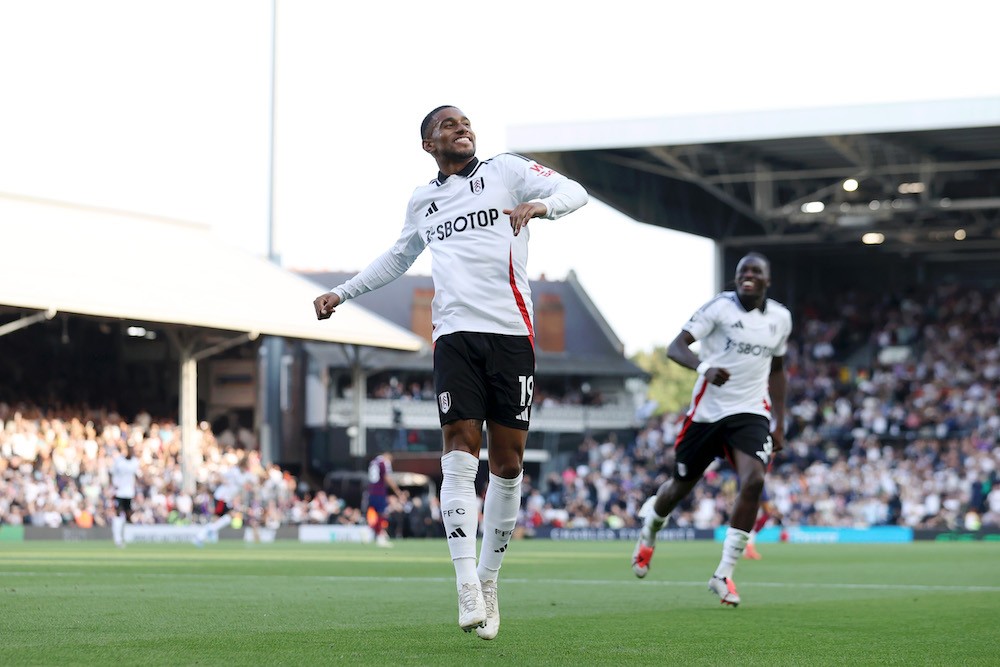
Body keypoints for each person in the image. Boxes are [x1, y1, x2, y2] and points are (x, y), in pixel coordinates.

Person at [314, 105, 588, 639]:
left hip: (511, 334)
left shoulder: (506, 170)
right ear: (428, 144)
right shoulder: (424, 200)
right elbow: (397, 258)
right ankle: (465, 581)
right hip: (455, 337)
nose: (462, 128)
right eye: (448, 125)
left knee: (507, 466)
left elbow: (576, 191)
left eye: (465, 123)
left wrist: (542, 206)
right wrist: (342, 292)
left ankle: (489, 580)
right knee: (459, 454)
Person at [631, 252, 791, 607]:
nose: (747, 275)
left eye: (755, 271)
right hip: (707, 414)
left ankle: (724, 574)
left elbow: (778, 370)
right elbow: (676, 347)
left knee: (754, 480)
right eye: (742, 271)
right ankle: (648, 534)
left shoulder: (780, 318)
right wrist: (704, 367)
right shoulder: (719, 308)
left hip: (751, 412)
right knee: (678, 488)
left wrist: (780, 421)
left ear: (767, 280)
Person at [366, 451, 404, 547]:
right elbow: (387, 477)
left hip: (371, 491)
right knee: (382, 514)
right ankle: (379, 536)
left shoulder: (374, 461)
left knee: (375, 514)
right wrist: (397, 491)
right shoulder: (384, 462)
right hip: (379, 492)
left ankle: (371, 533)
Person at [110, 444, 141, 547]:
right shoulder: (119, 461)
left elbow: (137, 476)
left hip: (129, 493)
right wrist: (113, 486)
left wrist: (138, 491)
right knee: (118, 514)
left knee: (128, 516)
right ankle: (117, 539)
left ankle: (125, 537)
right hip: (119, 492)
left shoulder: (135, 462)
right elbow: (111, 473)